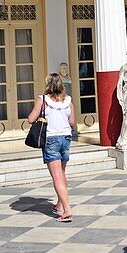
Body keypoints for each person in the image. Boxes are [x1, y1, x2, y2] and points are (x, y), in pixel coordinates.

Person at [27, 73, 75, 222]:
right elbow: (72, 121)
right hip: (66, 138)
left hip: (51, 139)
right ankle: (60, 205)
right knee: (62, 173)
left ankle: (67, 210)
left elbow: (31, 119)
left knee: (56, 176)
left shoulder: (43, 100)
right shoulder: (68, 101)